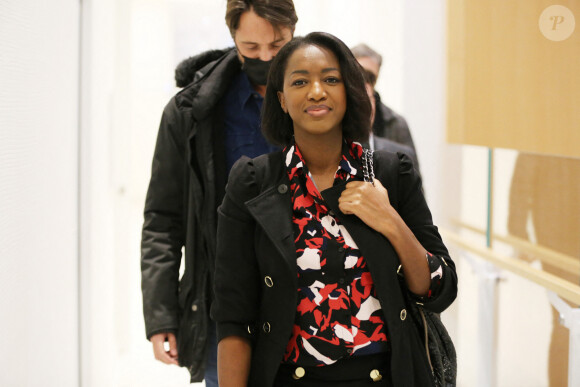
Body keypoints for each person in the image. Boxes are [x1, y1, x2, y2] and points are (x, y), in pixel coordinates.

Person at [212, 32, 457, 387]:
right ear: (281, 98)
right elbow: (233, 314)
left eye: (330, 79)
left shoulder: (391, 173)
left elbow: (439, 291)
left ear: (349, 92)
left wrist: (390, 220)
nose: (316, 91)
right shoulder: (252, 181)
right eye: (300, 81)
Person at [140, 1, 298, 385]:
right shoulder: (191, 111)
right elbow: (163, 218)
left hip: (306, 298)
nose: (265, 57)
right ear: (232, 38)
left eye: (277, 46)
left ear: (294, 29)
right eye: (251, 48)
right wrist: (161, 314)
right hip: (222, 302)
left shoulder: (320, 97)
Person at [508, 152, 580, 387]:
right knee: (565, 320)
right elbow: (526, 169)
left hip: (556, 231)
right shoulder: (550, 121)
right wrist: (518, 234)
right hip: (557, 235)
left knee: (565, 321)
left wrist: (519, 233)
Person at [350, 43, 417, 156]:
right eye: (359, 74)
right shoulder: (336, 111)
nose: (364, 82)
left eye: (370, 77)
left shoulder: (395, 122)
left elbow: (410, 169)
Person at [361, 68, 421, 176]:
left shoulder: (402, 158)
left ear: (374, 102)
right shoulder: (327, 156)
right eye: (356, 100)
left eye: (367, 99)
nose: (363, 107)